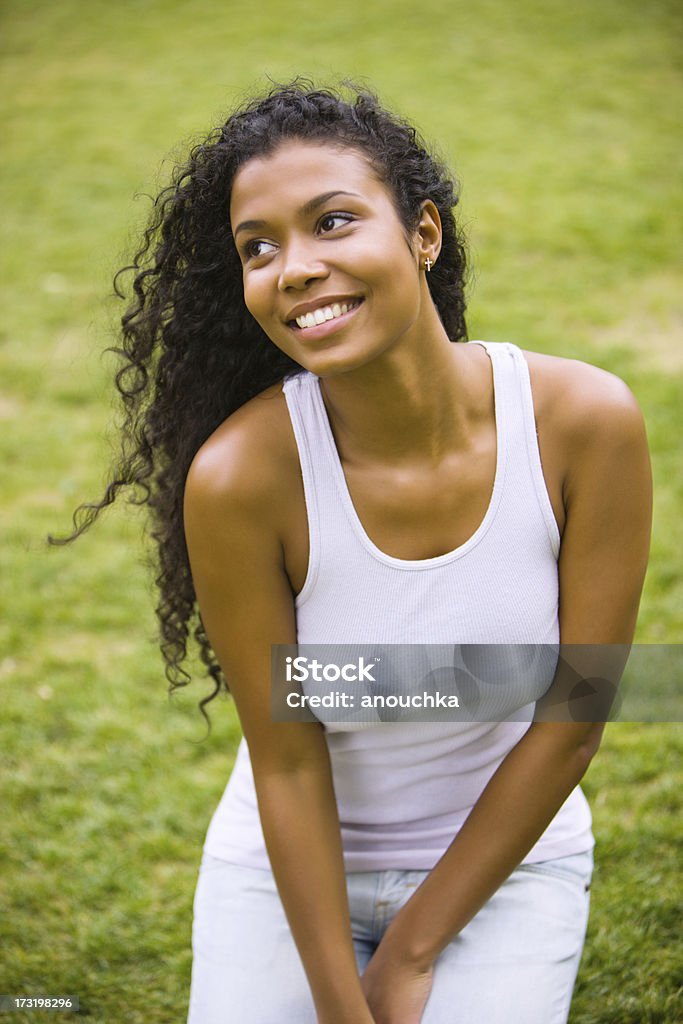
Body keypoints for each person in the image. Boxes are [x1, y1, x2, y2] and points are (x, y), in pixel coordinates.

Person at [56, 80, 652, 1023]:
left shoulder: (583, 423)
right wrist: (344, 1003)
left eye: (331, 222)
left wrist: (414, 952)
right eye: (259, 246)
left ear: (424, 233)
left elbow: (573, 713)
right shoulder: (240, 477)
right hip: (285, 868)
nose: (292, 268)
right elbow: (287, 763)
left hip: (506, 865)